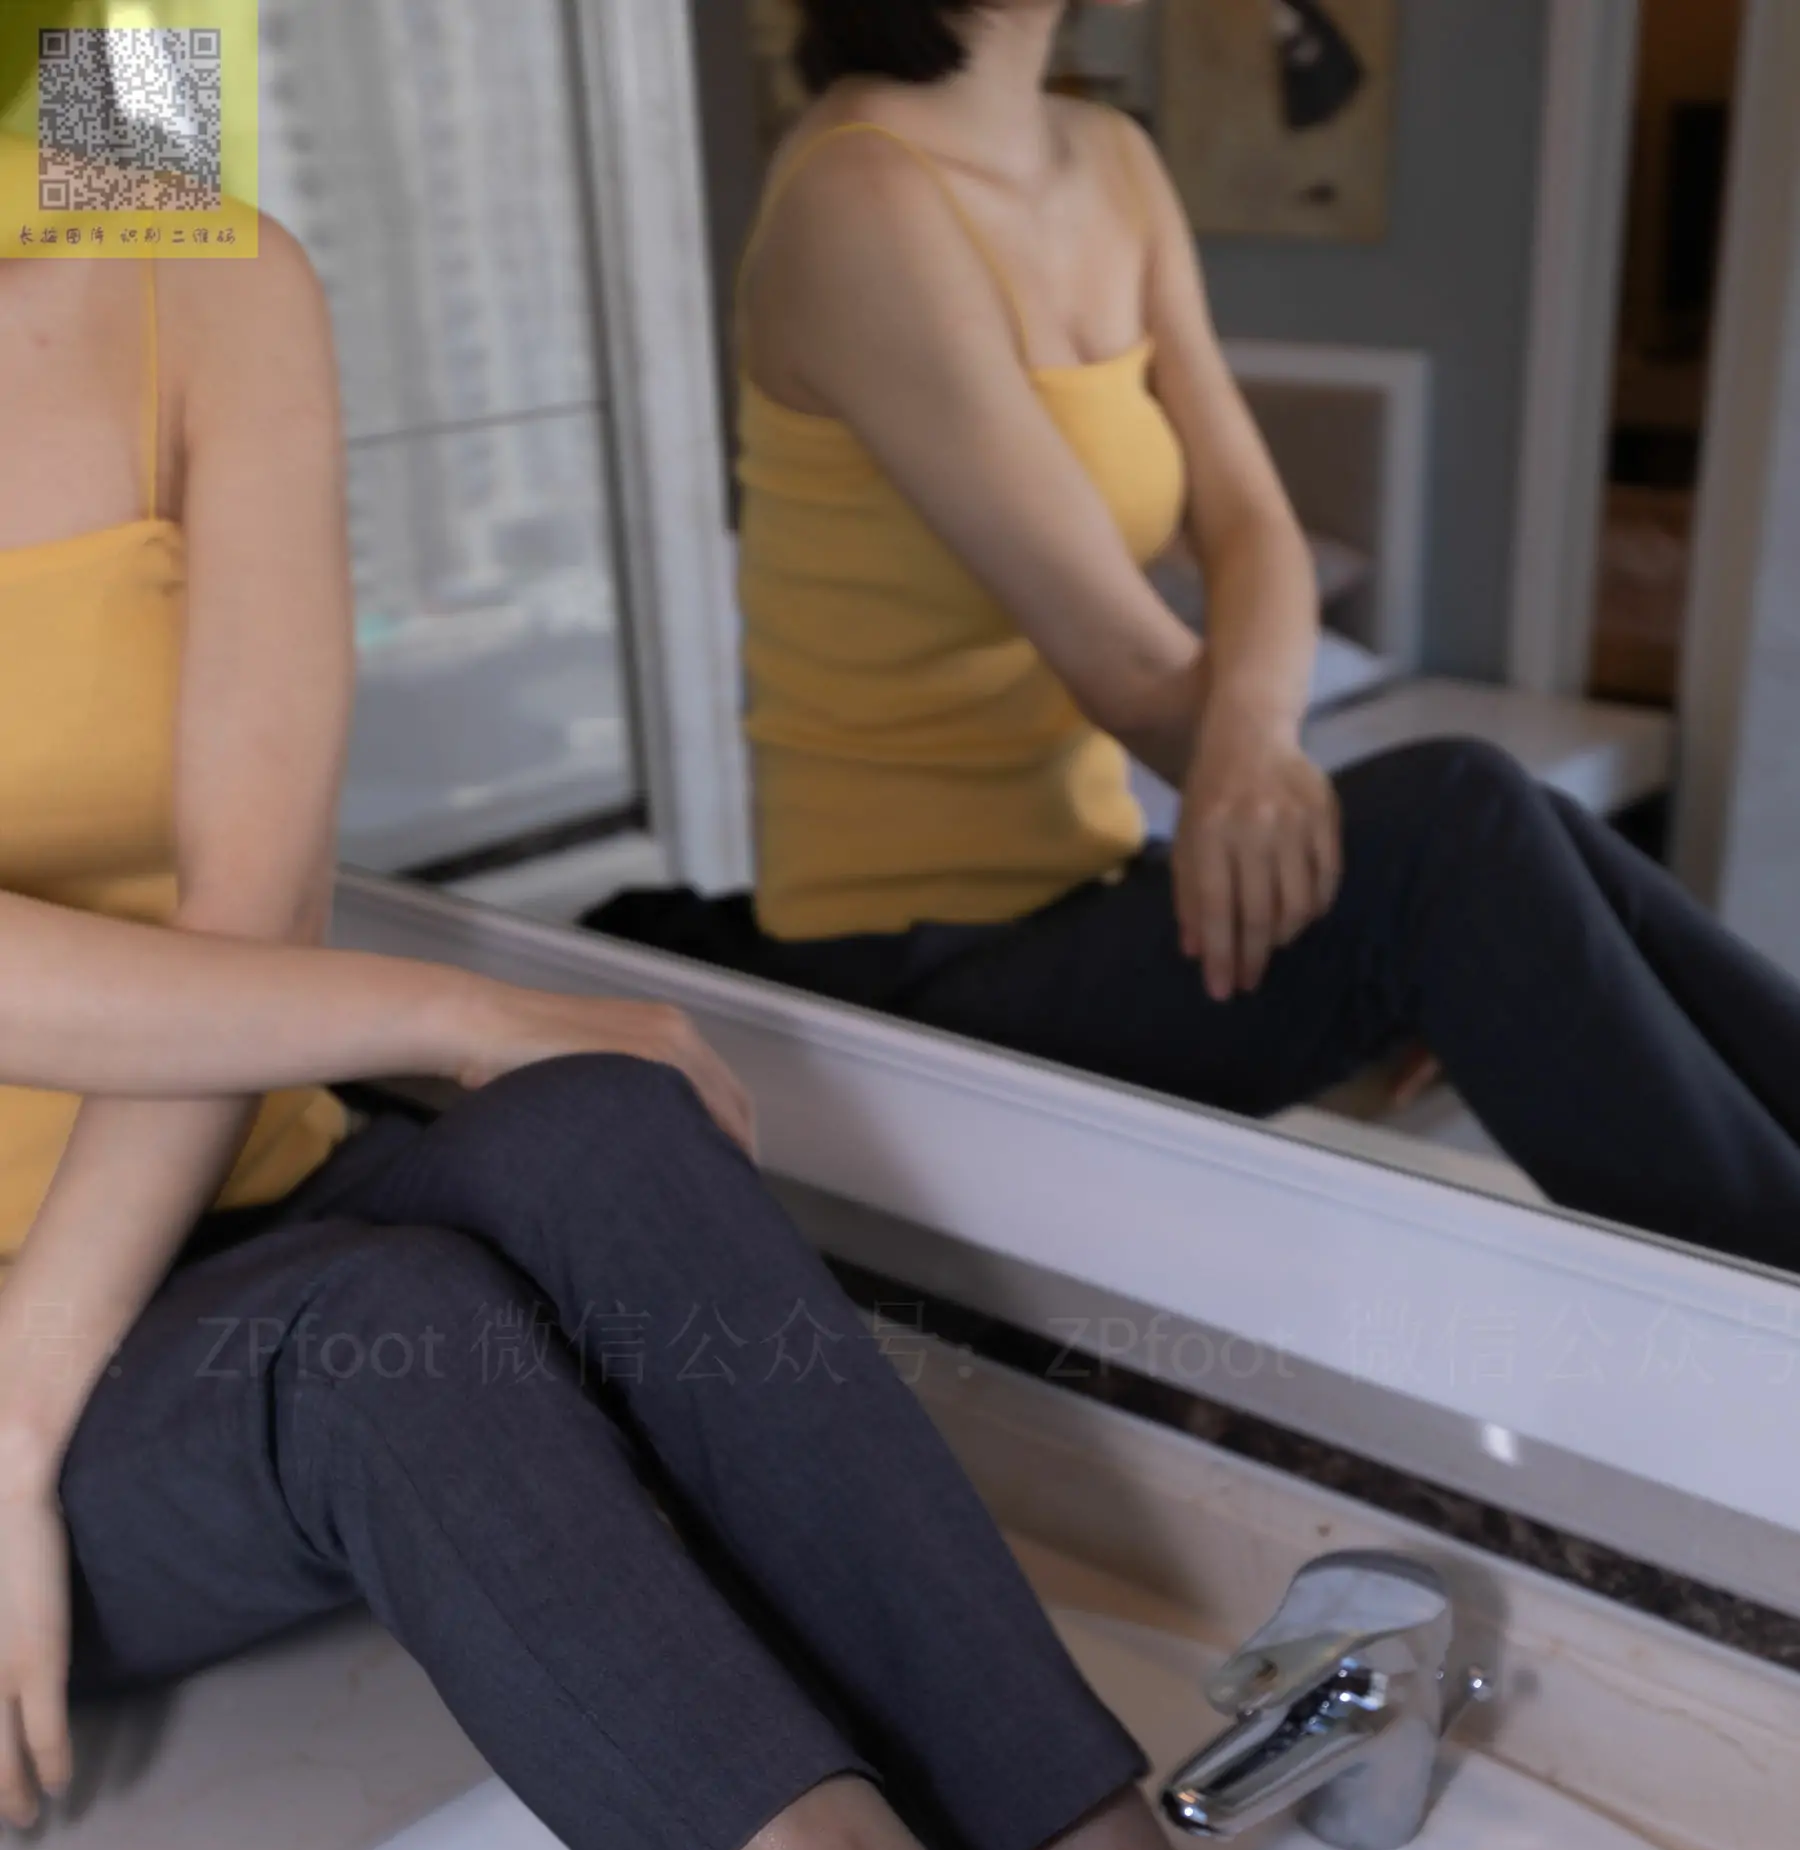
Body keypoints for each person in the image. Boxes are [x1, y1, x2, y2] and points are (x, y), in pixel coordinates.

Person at [0, 118, 1793, 1850]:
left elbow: (245, 881)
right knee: (404, 1340)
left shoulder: (181, 226)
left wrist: (438, 1086)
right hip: (85, 1367)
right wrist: (51, 1385)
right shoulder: (847, 199)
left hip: (204, 1208)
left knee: (598, 1134)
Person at [609, 0, 1800, 1283]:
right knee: (1455, 832)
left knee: (1502, 825)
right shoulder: (859, 201)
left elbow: (1253, 526)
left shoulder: (1111, 157)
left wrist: (1264, 749)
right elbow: (1127, 668)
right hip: (907, 972)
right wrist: (1397, 900)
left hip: (1085, 888)